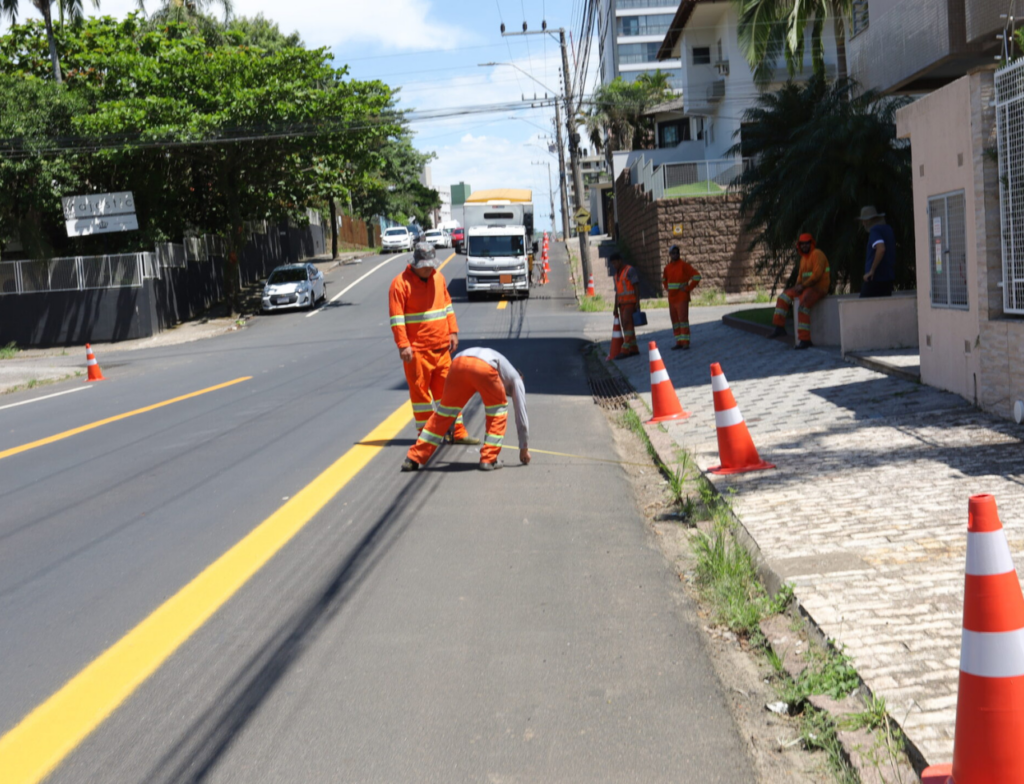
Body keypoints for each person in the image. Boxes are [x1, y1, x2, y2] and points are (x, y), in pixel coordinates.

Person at [389, 242, 479, 445]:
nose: (430, 268)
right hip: (417, 352)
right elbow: (397, 318)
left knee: (449, 394)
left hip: (441, 349)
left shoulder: (438, 278)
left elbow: (447, 306)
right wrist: (403, 345)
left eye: (432, 264)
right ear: (415, 263)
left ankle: (456, 432)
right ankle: (429, 436)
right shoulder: (400, 284)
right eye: (426, 265)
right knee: (421, 398)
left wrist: (453, 332)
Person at [402, 346, 530, 472]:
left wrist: (450, 426)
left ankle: (413, 458)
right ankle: (489, 459)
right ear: (521, 378)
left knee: (444, 412)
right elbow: (521, 416)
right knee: (498, 410)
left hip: (458, 363)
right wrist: (524, 448)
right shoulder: (517, 380)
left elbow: (451, 405)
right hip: (483, 366)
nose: (507, 394)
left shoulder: (502, 366)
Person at [770, 233, 831, 350]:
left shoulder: (817, 254)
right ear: (799, 246)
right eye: (802, 244)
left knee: (803, 306)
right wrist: (797, 286)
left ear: (811, 243)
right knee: (783, 297)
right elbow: (800, 276)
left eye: (806, 243)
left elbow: (816, 276)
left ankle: (805, 339)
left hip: (819, 288)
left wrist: (802, 286)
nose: (804, 246)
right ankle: (779, 327)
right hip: (806, 287)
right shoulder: (803, 259)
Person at [661, 244, 701, 350]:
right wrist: (666, 288)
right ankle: (679, 341)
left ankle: (685, 342)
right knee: (675, 321)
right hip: (672, 298)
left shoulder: (684, 265)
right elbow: (664, 279)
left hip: (682, 297)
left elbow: (697, 276)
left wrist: (688, 288)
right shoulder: (667, 268)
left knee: (683, 320)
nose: (675, 254)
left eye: (677, 252)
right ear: (670, 254)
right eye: (673, 253)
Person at [858, 205, 896, 298]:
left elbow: (881, 249)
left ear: (868, 221)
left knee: (861, 307)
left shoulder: (875, 230)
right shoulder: (888, 229)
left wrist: (872, 270)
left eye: (864, 220)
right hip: (887, 278)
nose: (863, 224)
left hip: (875, 279)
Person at [610, 252, 640, 359]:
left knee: (628, 325)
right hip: (622, 304)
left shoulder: (629, 270)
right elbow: (617, 292)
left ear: (620, 261)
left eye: (615, 263)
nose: (614, 266)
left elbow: (636, 286)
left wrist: (637, 302)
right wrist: (615, 307)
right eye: (612, 264)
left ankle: (625, 349)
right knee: (626, 326)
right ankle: (633, 348)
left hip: (630, 303)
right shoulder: (616, 275)